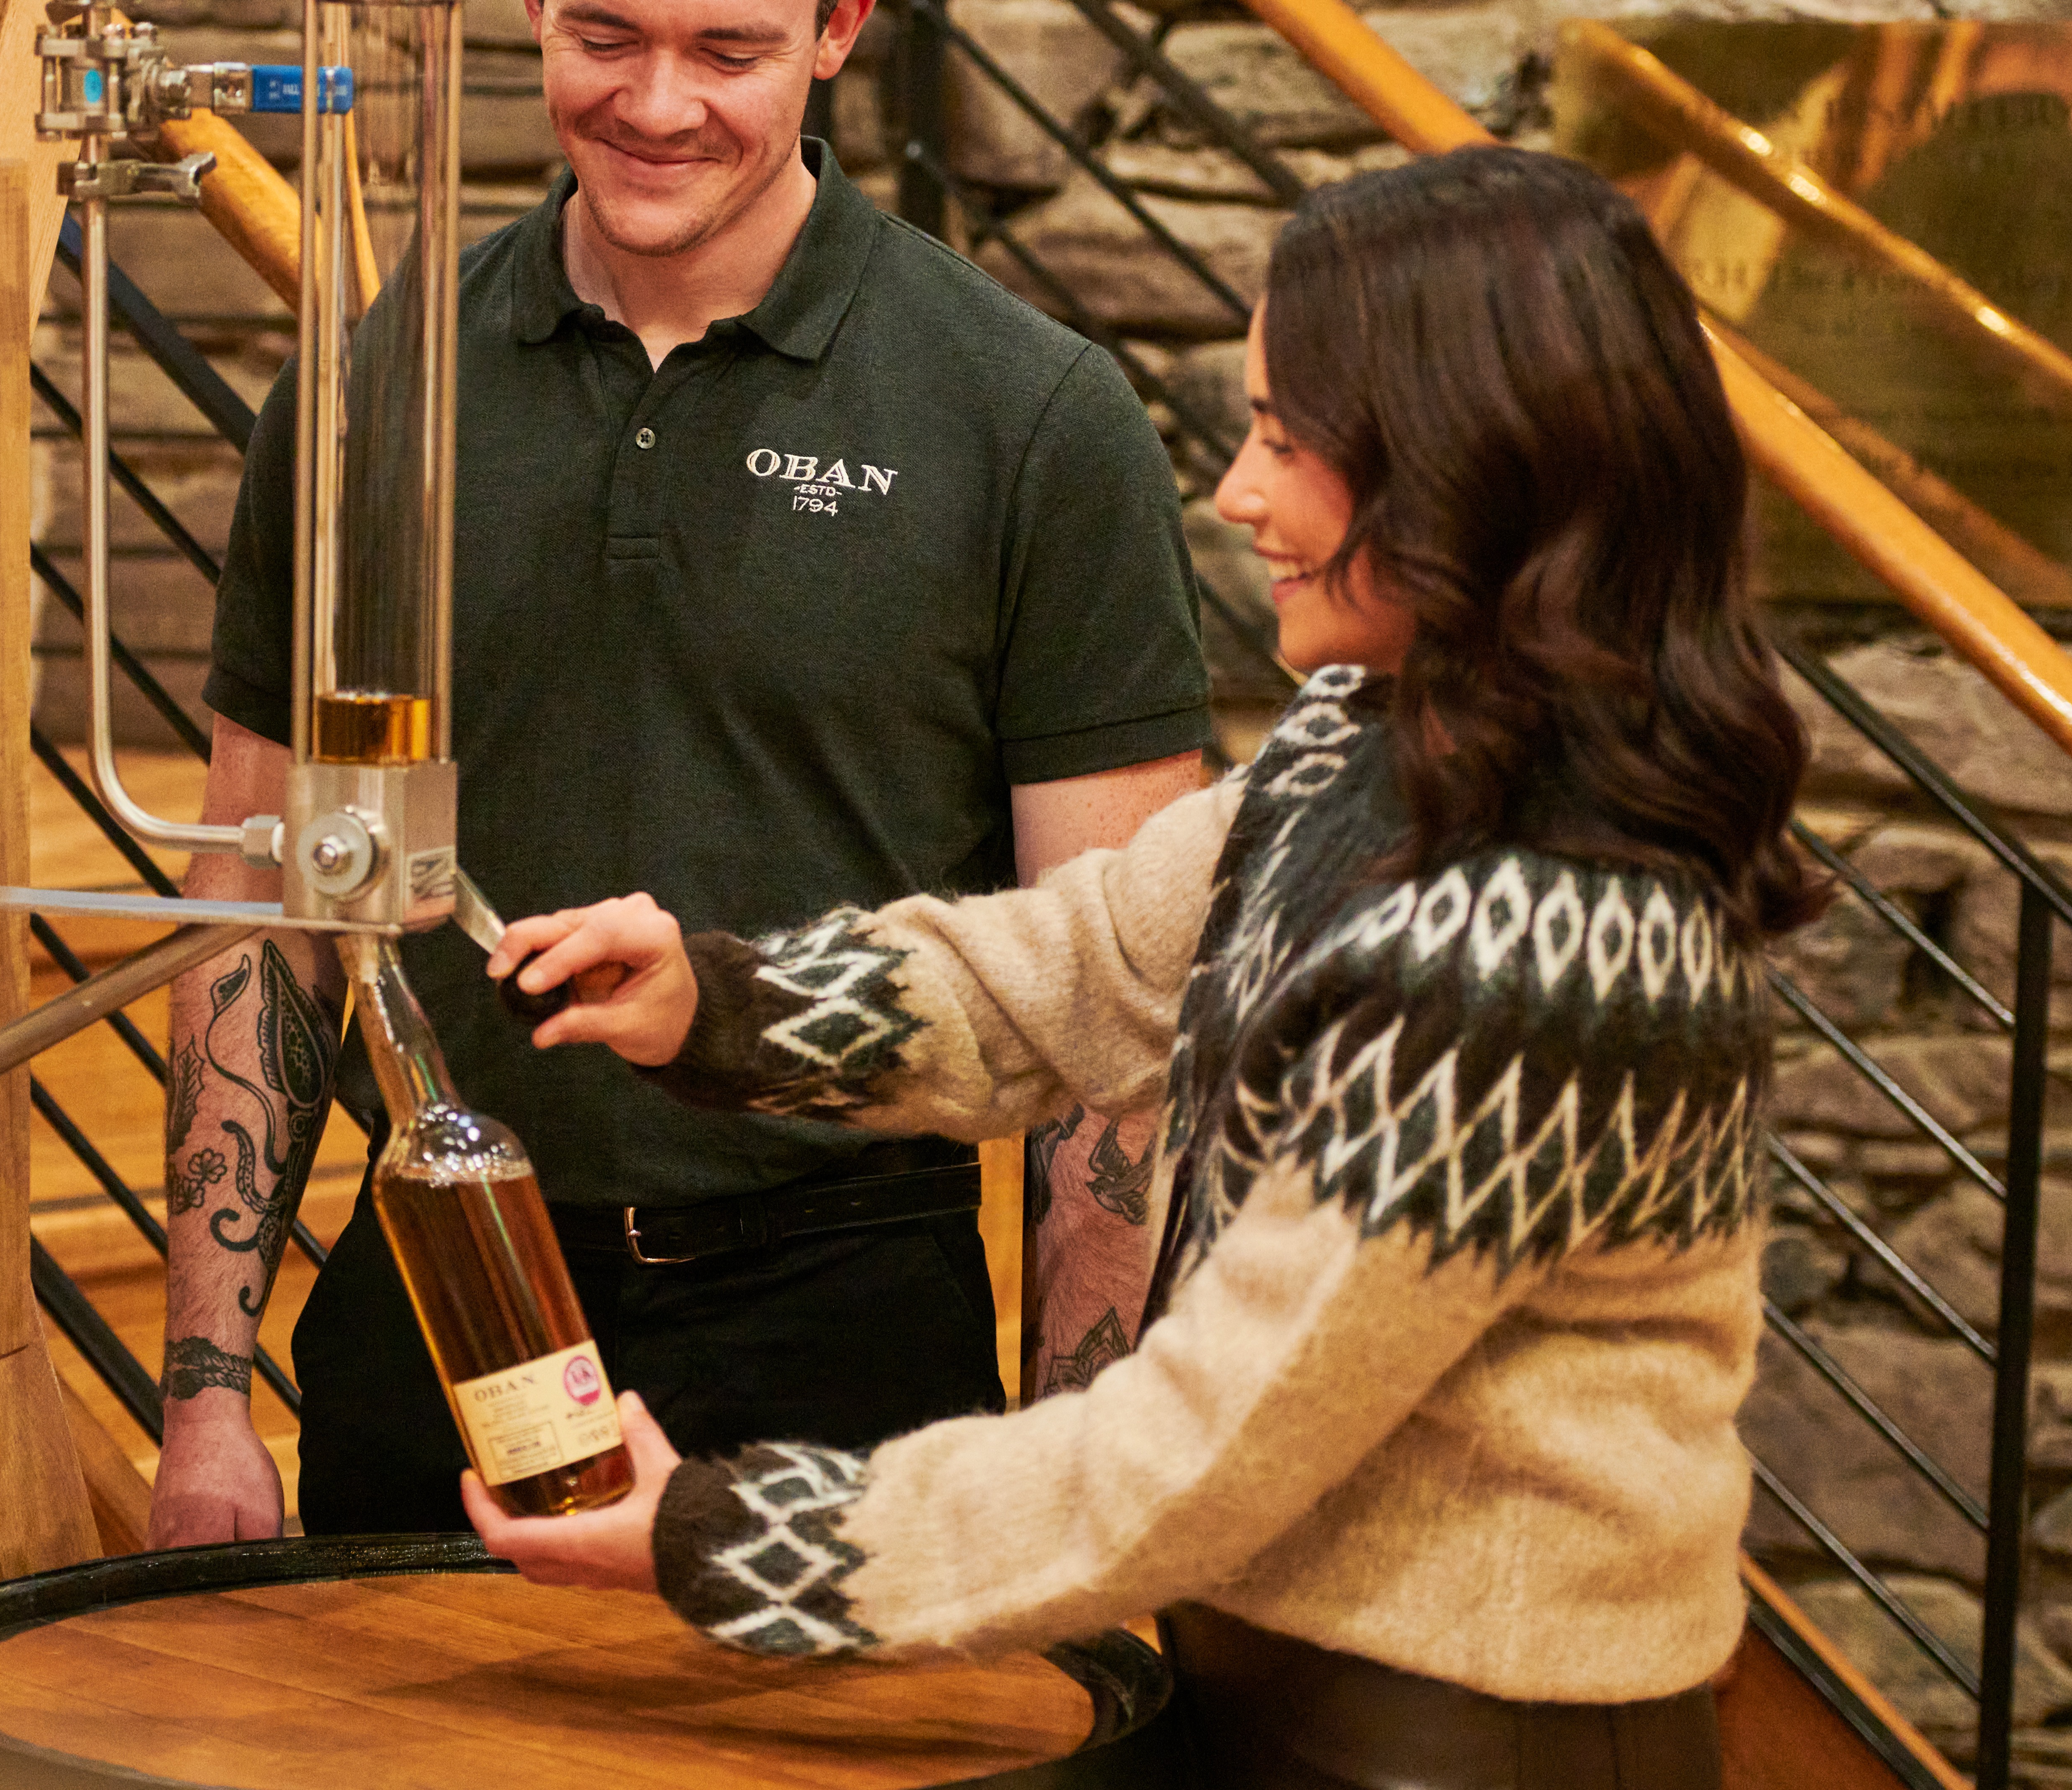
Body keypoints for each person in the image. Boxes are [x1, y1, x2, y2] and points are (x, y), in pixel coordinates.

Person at [469, 146, 1831, 1790]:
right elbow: (1083, 966)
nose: (1238, 493)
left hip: (1458, 1746)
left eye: (1286, 437)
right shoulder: (1366, 746)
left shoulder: (1541, 932)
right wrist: (722, 999)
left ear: (1462, 463)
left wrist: (727, 1535)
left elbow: (1197, 1449)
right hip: (1281, 1685)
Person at [149, 0, 1216, 1545]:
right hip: (442, 1303)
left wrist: (1073, 1510)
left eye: (728, 50)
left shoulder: (1036, 416)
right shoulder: (372, 379)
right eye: (607, 35)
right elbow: (260, 887)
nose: (657, 104)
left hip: (843, 1333)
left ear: (839, 28)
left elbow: (1114, 1008)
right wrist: (202, 1398)